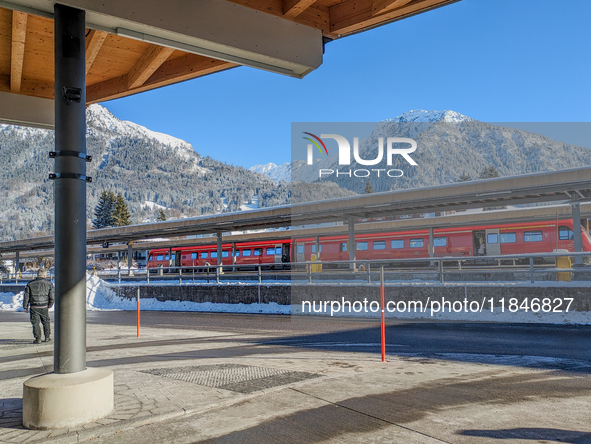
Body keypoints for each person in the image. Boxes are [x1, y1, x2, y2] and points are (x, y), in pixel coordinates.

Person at [23, 269, 54, 344]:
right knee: (46, 322)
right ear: (45, 275)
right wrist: (49, 305)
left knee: (35, 323)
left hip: (34, 306)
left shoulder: (30, 284)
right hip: (44, 306)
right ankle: (47, 337)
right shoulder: (49, 284)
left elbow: (26, 296)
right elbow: (52, 296)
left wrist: (25, 306)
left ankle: (38, 338)